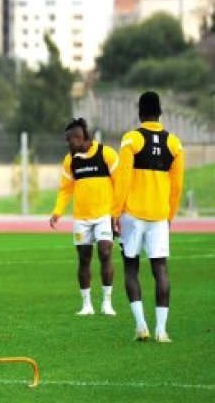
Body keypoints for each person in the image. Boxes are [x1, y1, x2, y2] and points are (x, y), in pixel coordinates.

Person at [112, 91, 184, 343]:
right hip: (159, 216)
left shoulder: (131, 140)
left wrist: (115, 212)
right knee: (160, 269)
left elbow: (122, 180)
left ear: (140, 112)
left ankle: (141, 326)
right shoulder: (174, 144)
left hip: (132, 214)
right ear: (160, 112)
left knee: (131, 269)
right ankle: (162, 331)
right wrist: (170, 215)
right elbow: (177, 186)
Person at [49, 118, 118, 316]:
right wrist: (57, 211)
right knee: (84, 259)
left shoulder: (106, 154)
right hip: (81, 218)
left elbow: (120, 182)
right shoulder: (70, 160)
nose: (68, 145)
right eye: (67, 142)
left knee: (105, 253)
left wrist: (117, 211)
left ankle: (107, 303)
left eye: (71, 141)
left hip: (104, 215)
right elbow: (65, 190)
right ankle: (86, 305)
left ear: (82, 138)